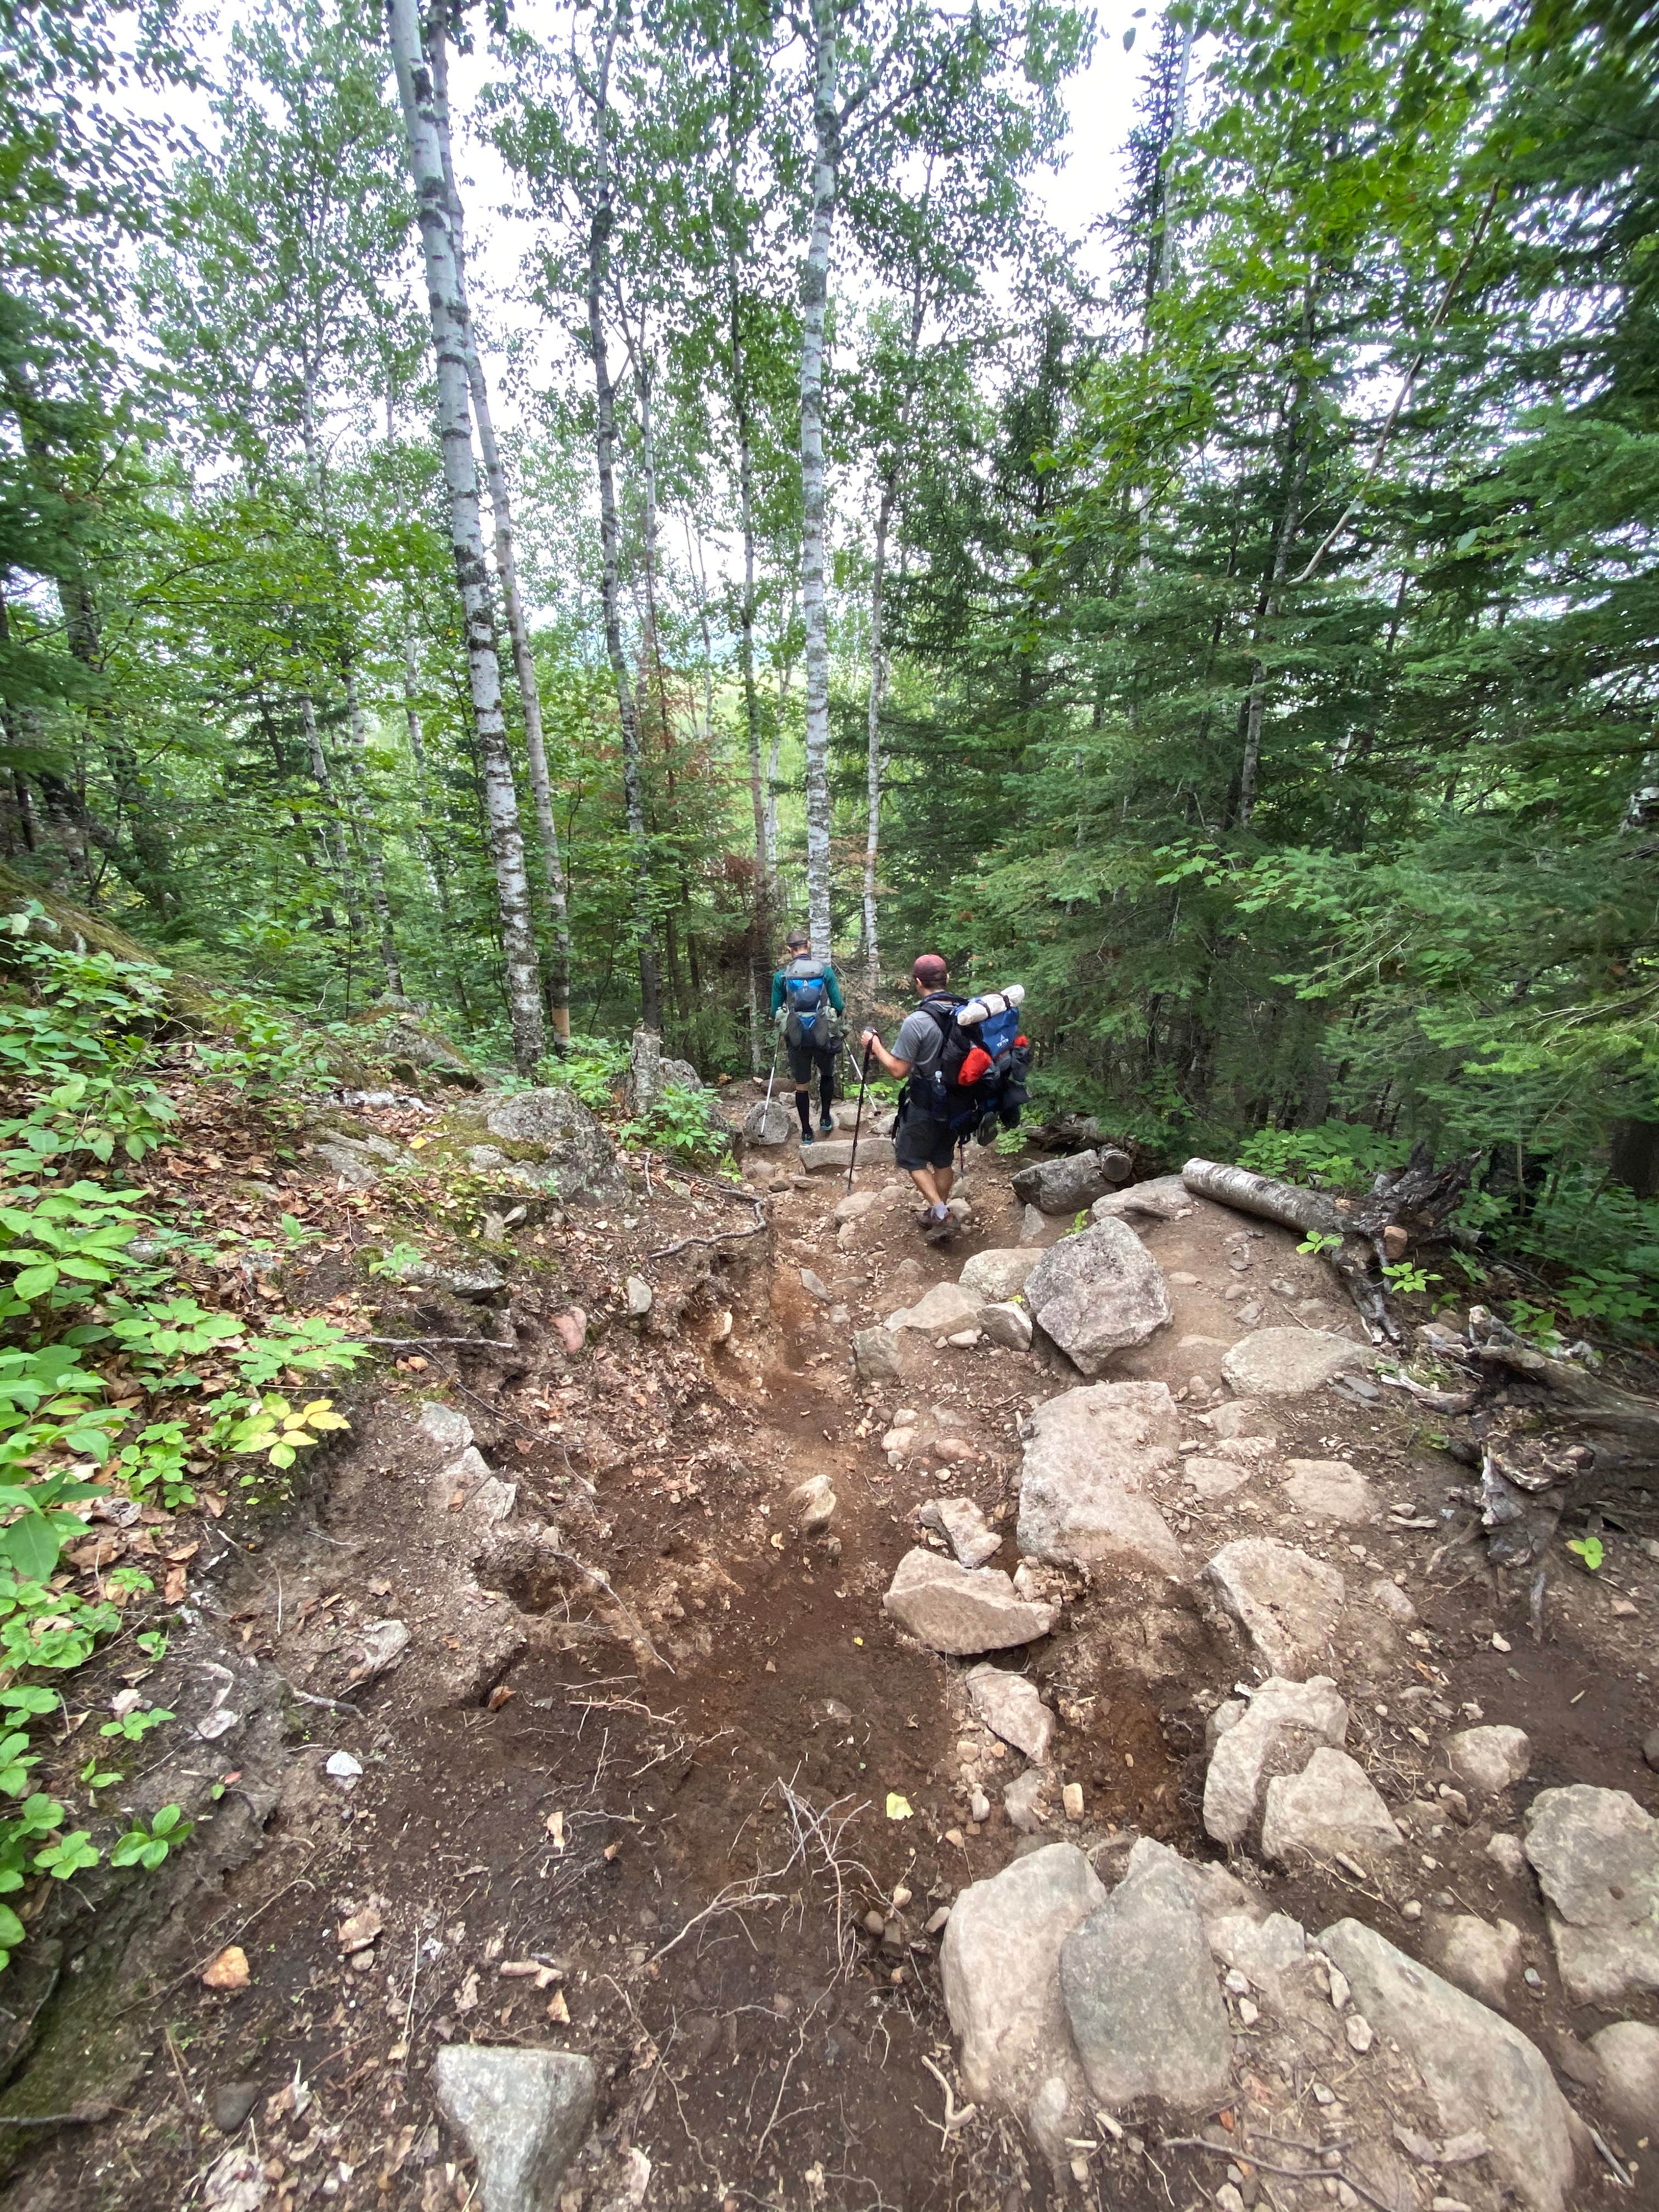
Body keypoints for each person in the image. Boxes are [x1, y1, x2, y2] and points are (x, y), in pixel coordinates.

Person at [861, 952, 962, 1238]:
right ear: (947, 979)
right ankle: (937, 1211)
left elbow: (898, 1070)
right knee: (943, 1158)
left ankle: (941, 1213)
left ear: (918, 982)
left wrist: (875, 1045)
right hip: (960, 1100)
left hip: (926, 1100)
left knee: (911, 1157)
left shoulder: (917, 1021)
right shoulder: (966, 1013)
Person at [771, 928, 845, 1143]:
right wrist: (831, 1018)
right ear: (809, 945)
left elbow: (774, 1011)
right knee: (827, 1074)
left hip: (796, 1036)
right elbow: (838, 1005)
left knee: (801, 1084)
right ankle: (824, 1118)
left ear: (789, 950)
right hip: (822, 1033)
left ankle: (806, 1132)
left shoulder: (781, 976)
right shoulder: (825, 972)